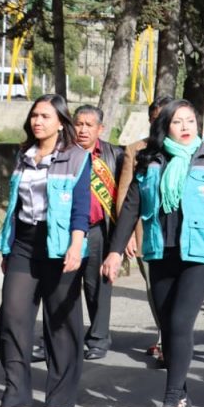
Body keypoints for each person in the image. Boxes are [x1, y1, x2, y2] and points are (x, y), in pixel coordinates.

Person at [102, 99, 204, 407]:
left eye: (190, 120)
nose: (185, 127)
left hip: (200, 254)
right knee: (169, 327)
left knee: (180, 323)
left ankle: (172, 399)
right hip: (160, 250)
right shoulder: (150, 161)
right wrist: (115, 251)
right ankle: (182, 392)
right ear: (165, 126)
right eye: (178, 122)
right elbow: (132, 206)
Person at [0, 94, 91, 407]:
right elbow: (15, 206)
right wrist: (7, 247)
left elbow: (81, 207)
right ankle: (15, 394)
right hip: (24, 243)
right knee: (12, 315)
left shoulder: (77, 157)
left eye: (46, 116)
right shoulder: (23, 155)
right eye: (35, 115)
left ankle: (60, 396)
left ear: (61, 122)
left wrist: (76, 245)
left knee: (60, 322)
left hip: (61, 246)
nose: (38, 121)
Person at [116, 96, 173, 366]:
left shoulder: (190, 151)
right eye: (154, 119)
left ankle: (176, 334)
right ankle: (164, 339)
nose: (159, 124)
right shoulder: (136, 150)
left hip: (179, 233)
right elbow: (125, 195)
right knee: (154, 287)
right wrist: (126, 234)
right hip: (145, 233)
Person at [74, 105, 123, 360]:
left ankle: (98, 338)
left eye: (88, 125)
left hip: (98, 230)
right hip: (69, 230)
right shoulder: (65, 153)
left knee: (97, 287)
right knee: (63, 287)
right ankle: (61, 337)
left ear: (100, 129)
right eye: (78, 124)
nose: (82, 130)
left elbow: (124, 197)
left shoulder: (114, 155)